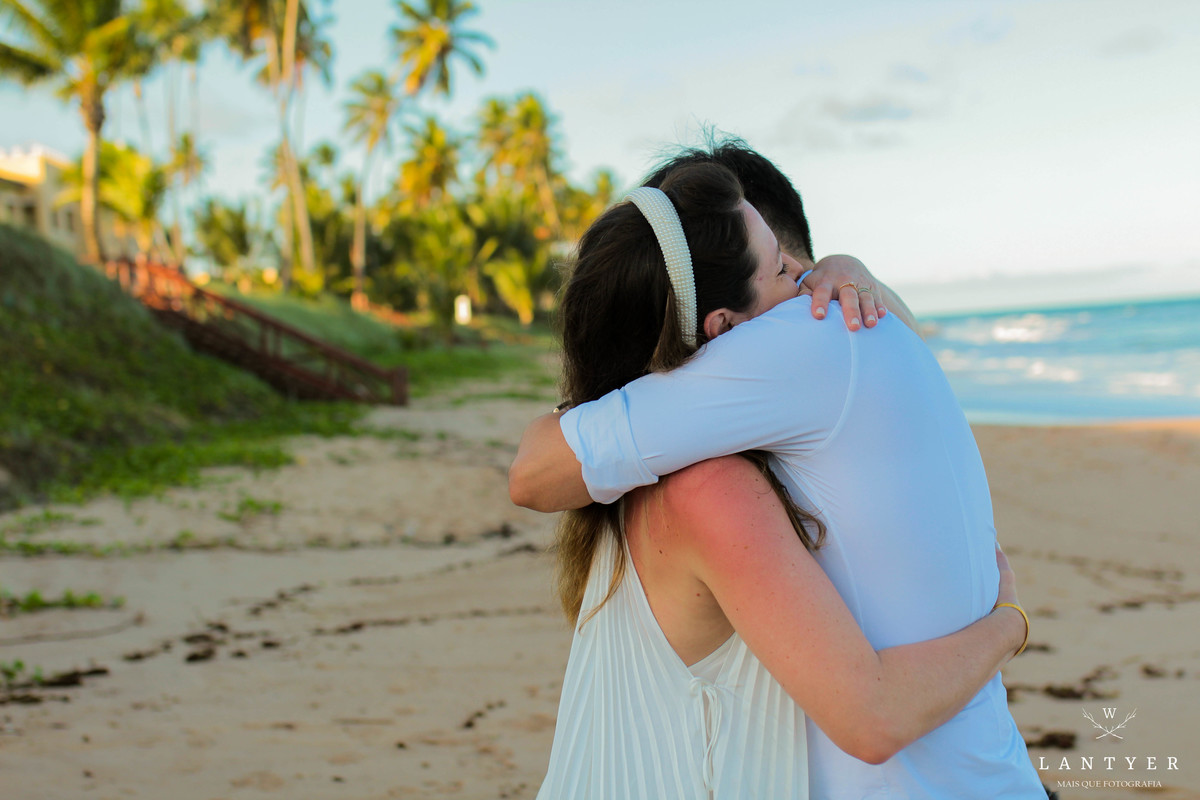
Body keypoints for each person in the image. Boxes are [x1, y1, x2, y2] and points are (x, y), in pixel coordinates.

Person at [522, 159, 1040, 798]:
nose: (810, 288)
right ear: (725, 332)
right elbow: (872, 717)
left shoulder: (690, 448)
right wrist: (1009, 621)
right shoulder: (718, 474)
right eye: (787, 269)